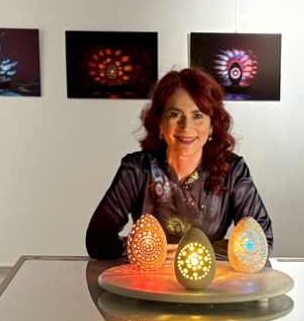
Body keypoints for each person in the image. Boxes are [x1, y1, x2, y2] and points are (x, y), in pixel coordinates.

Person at [85, 67, 273, 260]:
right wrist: (149, 251)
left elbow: (261, 242)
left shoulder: (233, 170)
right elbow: (98, 240)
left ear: (212, 126)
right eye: (175, 114)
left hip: (209, 277)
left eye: (197, 115)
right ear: (159, 123)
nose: (186, 127)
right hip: (149, 277)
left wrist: (196, 251)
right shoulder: (137, 169)